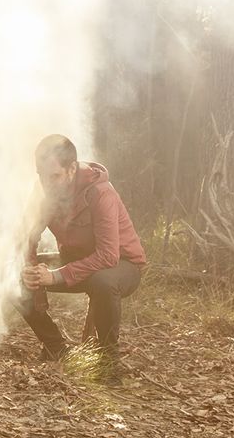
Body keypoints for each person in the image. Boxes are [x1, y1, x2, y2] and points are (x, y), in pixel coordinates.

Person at [15, 134, 147, 371]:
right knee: (12, 278)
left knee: (103, 281)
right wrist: (29, 270)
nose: (46, 184)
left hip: (122, 266)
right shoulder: (43, 192)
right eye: (41, 176)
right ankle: (56, 347)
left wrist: (55, 276)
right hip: (77, 261)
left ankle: (107, 362)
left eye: (54, 176)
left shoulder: (100, 192)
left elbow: (108, 256)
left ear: (72, 169)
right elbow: (25, 237)